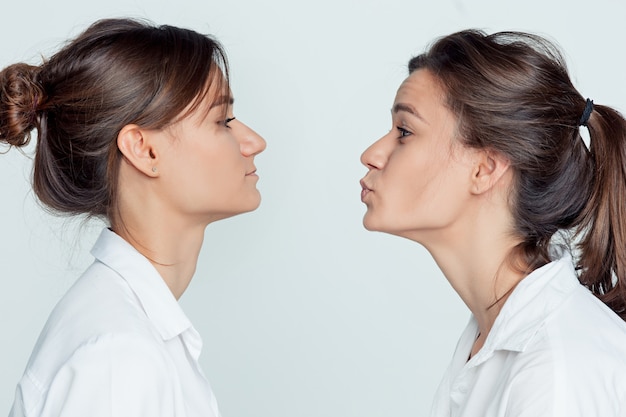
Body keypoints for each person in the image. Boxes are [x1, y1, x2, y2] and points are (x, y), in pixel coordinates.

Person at [1, 18, 266, 417]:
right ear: (143, 149)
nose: (254, 142)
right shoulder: (119, 358)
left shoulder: (127, 334)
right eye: (222, 120)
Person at [360, 29, 626, 416]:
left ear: (485, 169)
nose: (371, 154)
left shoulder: (557, 371)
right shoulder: (492, 337)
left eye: (404, 132)